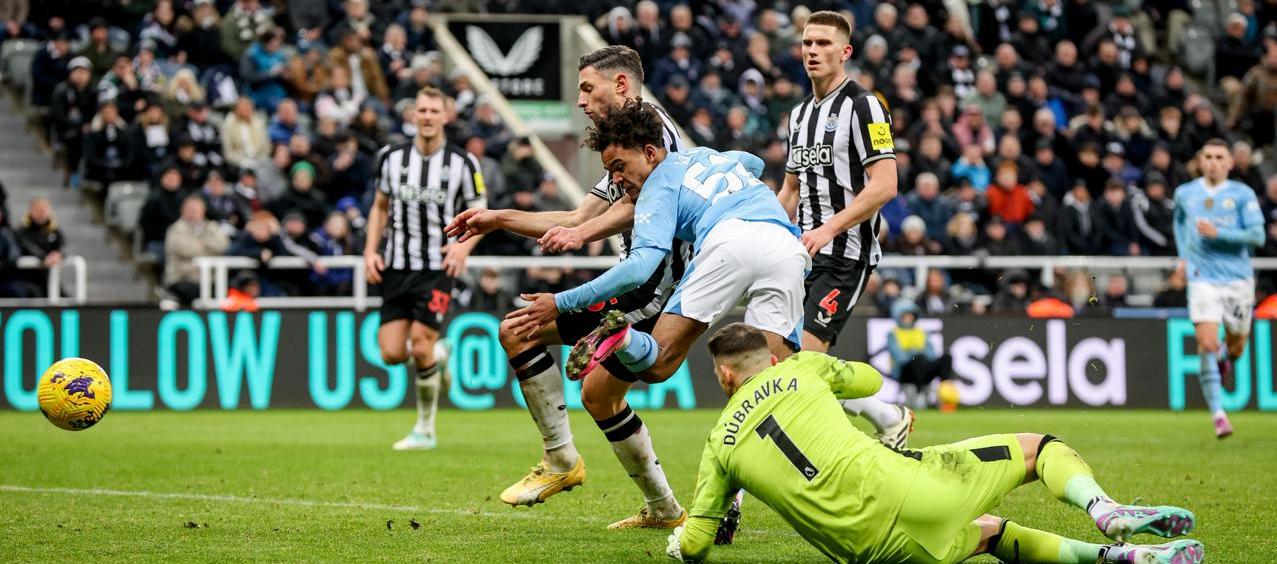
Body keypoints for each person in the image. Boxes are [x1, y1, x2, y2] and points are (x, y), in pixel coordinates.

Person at [666, 322, 1205, 564]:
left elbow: (695, 546)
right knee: (1038, 448)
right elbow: (871, 382)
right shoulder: (803, 367)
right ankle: (1104, 509)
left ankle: (1123, 558)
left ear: (724, 377)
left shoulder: (720, 443)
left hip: (878, 555)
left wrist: (678, 545)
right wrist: (823, 369)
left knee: (991, 535)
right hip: (908, 490)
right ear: (771, 360)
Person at [445, 46, 695, 530]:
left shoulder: (655, 132)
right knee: (600, 396)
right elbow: (578, 216)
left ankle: (560, 460)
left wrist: (582, 234)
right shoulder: (622, 143)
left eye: (587, 88)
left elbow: (644, 204)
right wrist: (498, 219)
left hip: (654, 283)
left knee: (519, 331)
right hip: (645, 280)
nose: (580, 100)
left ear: (621, 84)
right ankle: (664, 510)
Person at [505, 103, 806, 473]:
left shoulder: (657, 186)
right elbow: (752, 163)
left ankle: (622, 339)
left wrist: (562, 302)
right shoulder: (706, 155)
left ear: (650, 152)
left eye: (619, 167)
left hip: (729, 242)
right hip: (785, 245)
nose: (616, 180)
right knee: (774, 381)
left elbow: (638, 268)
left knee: (658, 363)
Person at [774, 11, 914, 448]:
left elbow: (885, 185)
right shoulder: (798, 116)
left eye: (823, 44)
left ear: (845, 52)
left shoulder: (865, 105)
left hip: (844, 256)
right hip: (802, 255)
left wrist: (825, 229)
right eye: (807, 43)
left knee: (800, 366)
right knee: (783, 364)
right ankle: (887, 416)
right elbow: (790, 190)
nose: (812, 51)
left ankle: (849, 445)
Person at [363, 86, 486, 452]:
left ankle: (425, 429)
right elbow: (379, 208)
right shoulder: (391, 158)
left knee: (420, 347)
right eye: (422, 110)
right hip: (397, 267)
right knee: (390, 353)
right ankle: (441, 353)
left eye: (435, 110)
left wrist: (463, 248)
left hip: (437, 267)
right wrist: (370, 251)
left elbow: (481, 214)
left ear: (446, 116)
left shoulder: (464, 163)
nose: (428, 116)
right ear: (413, 115)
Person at [1173, 139, 1265, 439]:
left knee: (1237, 346)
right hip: (1202, 279)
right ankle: (1219, 415)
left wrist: (1219, 233)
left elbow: (1257, 236)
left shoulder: (1242, 194)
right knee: (1207, 344)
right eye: (1208, 156)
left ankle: (1228, 359)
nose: (1213, 162)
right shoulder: (1186, 193)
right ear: (1200, 161)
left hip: (1238, 280)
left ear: (1229, 163)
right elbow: (1179, 223)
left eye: (1219, 157)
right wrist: (1184, 258)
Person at [164, 195, 229, 307]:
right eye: (190, 209)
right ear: (183, 210)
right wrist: (209, 248)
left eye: (196, 209)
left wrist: (201, 244)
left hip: (210, 279)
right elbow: (187, 249)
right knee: (191, 291)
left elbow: (223, 245)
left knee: (230, 289)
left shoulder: (212, 226)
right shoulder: (175, 229)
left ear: (203, 210)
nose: (193, 212)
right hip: (183, 278)